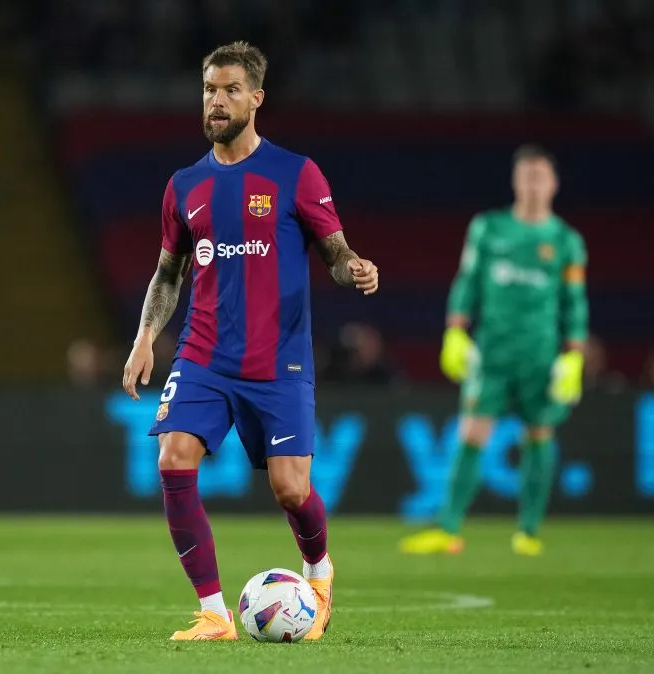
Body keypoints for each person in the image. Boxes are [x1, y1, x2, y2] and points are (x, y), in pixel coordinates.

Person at [121, 41, 378, 641]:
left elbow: (336, 255)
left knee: (292, 488)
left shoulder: (295, 173)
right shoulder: (184, 186)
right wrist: (144, 338)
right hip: (204, 354)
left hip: (278, 360)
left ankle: (318, 570)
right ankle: (215, 614)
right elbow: (167, 274)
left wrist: (356, 268)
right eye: (210, 88)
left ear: (257, 99)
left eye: (231, 89)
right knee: (172, 457)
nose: (217, 99)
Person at [399, 144, 588, 557]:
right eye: (527, 177)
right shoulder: (489, 228)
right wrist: (455, 330)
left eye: (541, 177)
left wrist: (574, 354)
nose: (534, 184)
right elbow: (467, 281)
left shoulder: (566, 241)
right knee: (471, 431)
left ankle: (529, 531)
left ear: (553, 184)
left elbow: (575, 301)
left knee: (539, 432)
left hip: (540, 356)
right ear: (515, 181)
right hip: (493, 353)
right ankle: (449, 529)